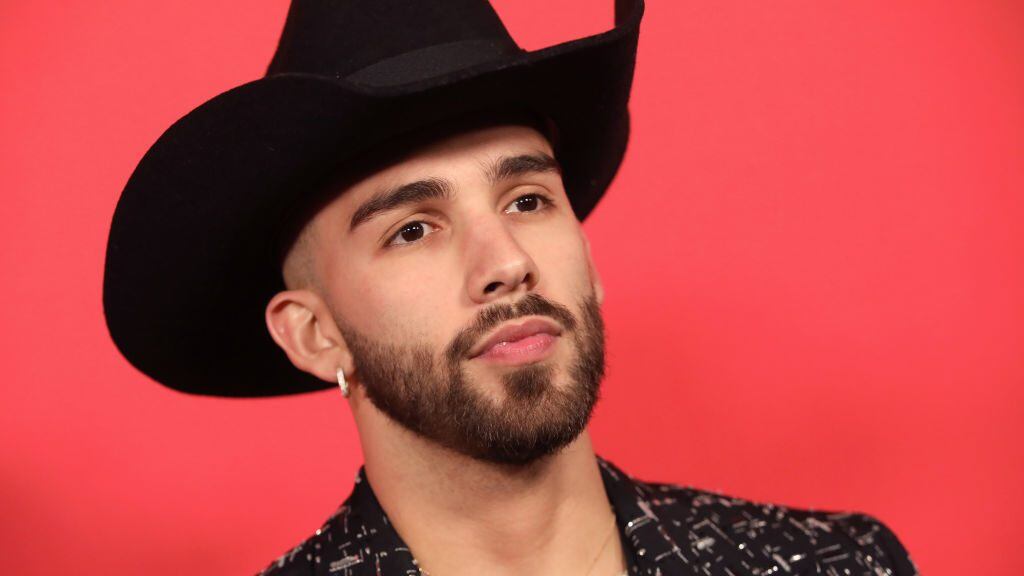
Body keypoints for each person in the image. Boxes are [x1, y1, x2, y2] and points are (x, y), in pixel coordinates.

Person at [102, 1, 918, 575]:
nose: (507, 261)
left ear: (587, 260)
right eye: (412, 229)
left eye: (527, 201)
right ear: (316, 335)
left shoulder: (839, 565)